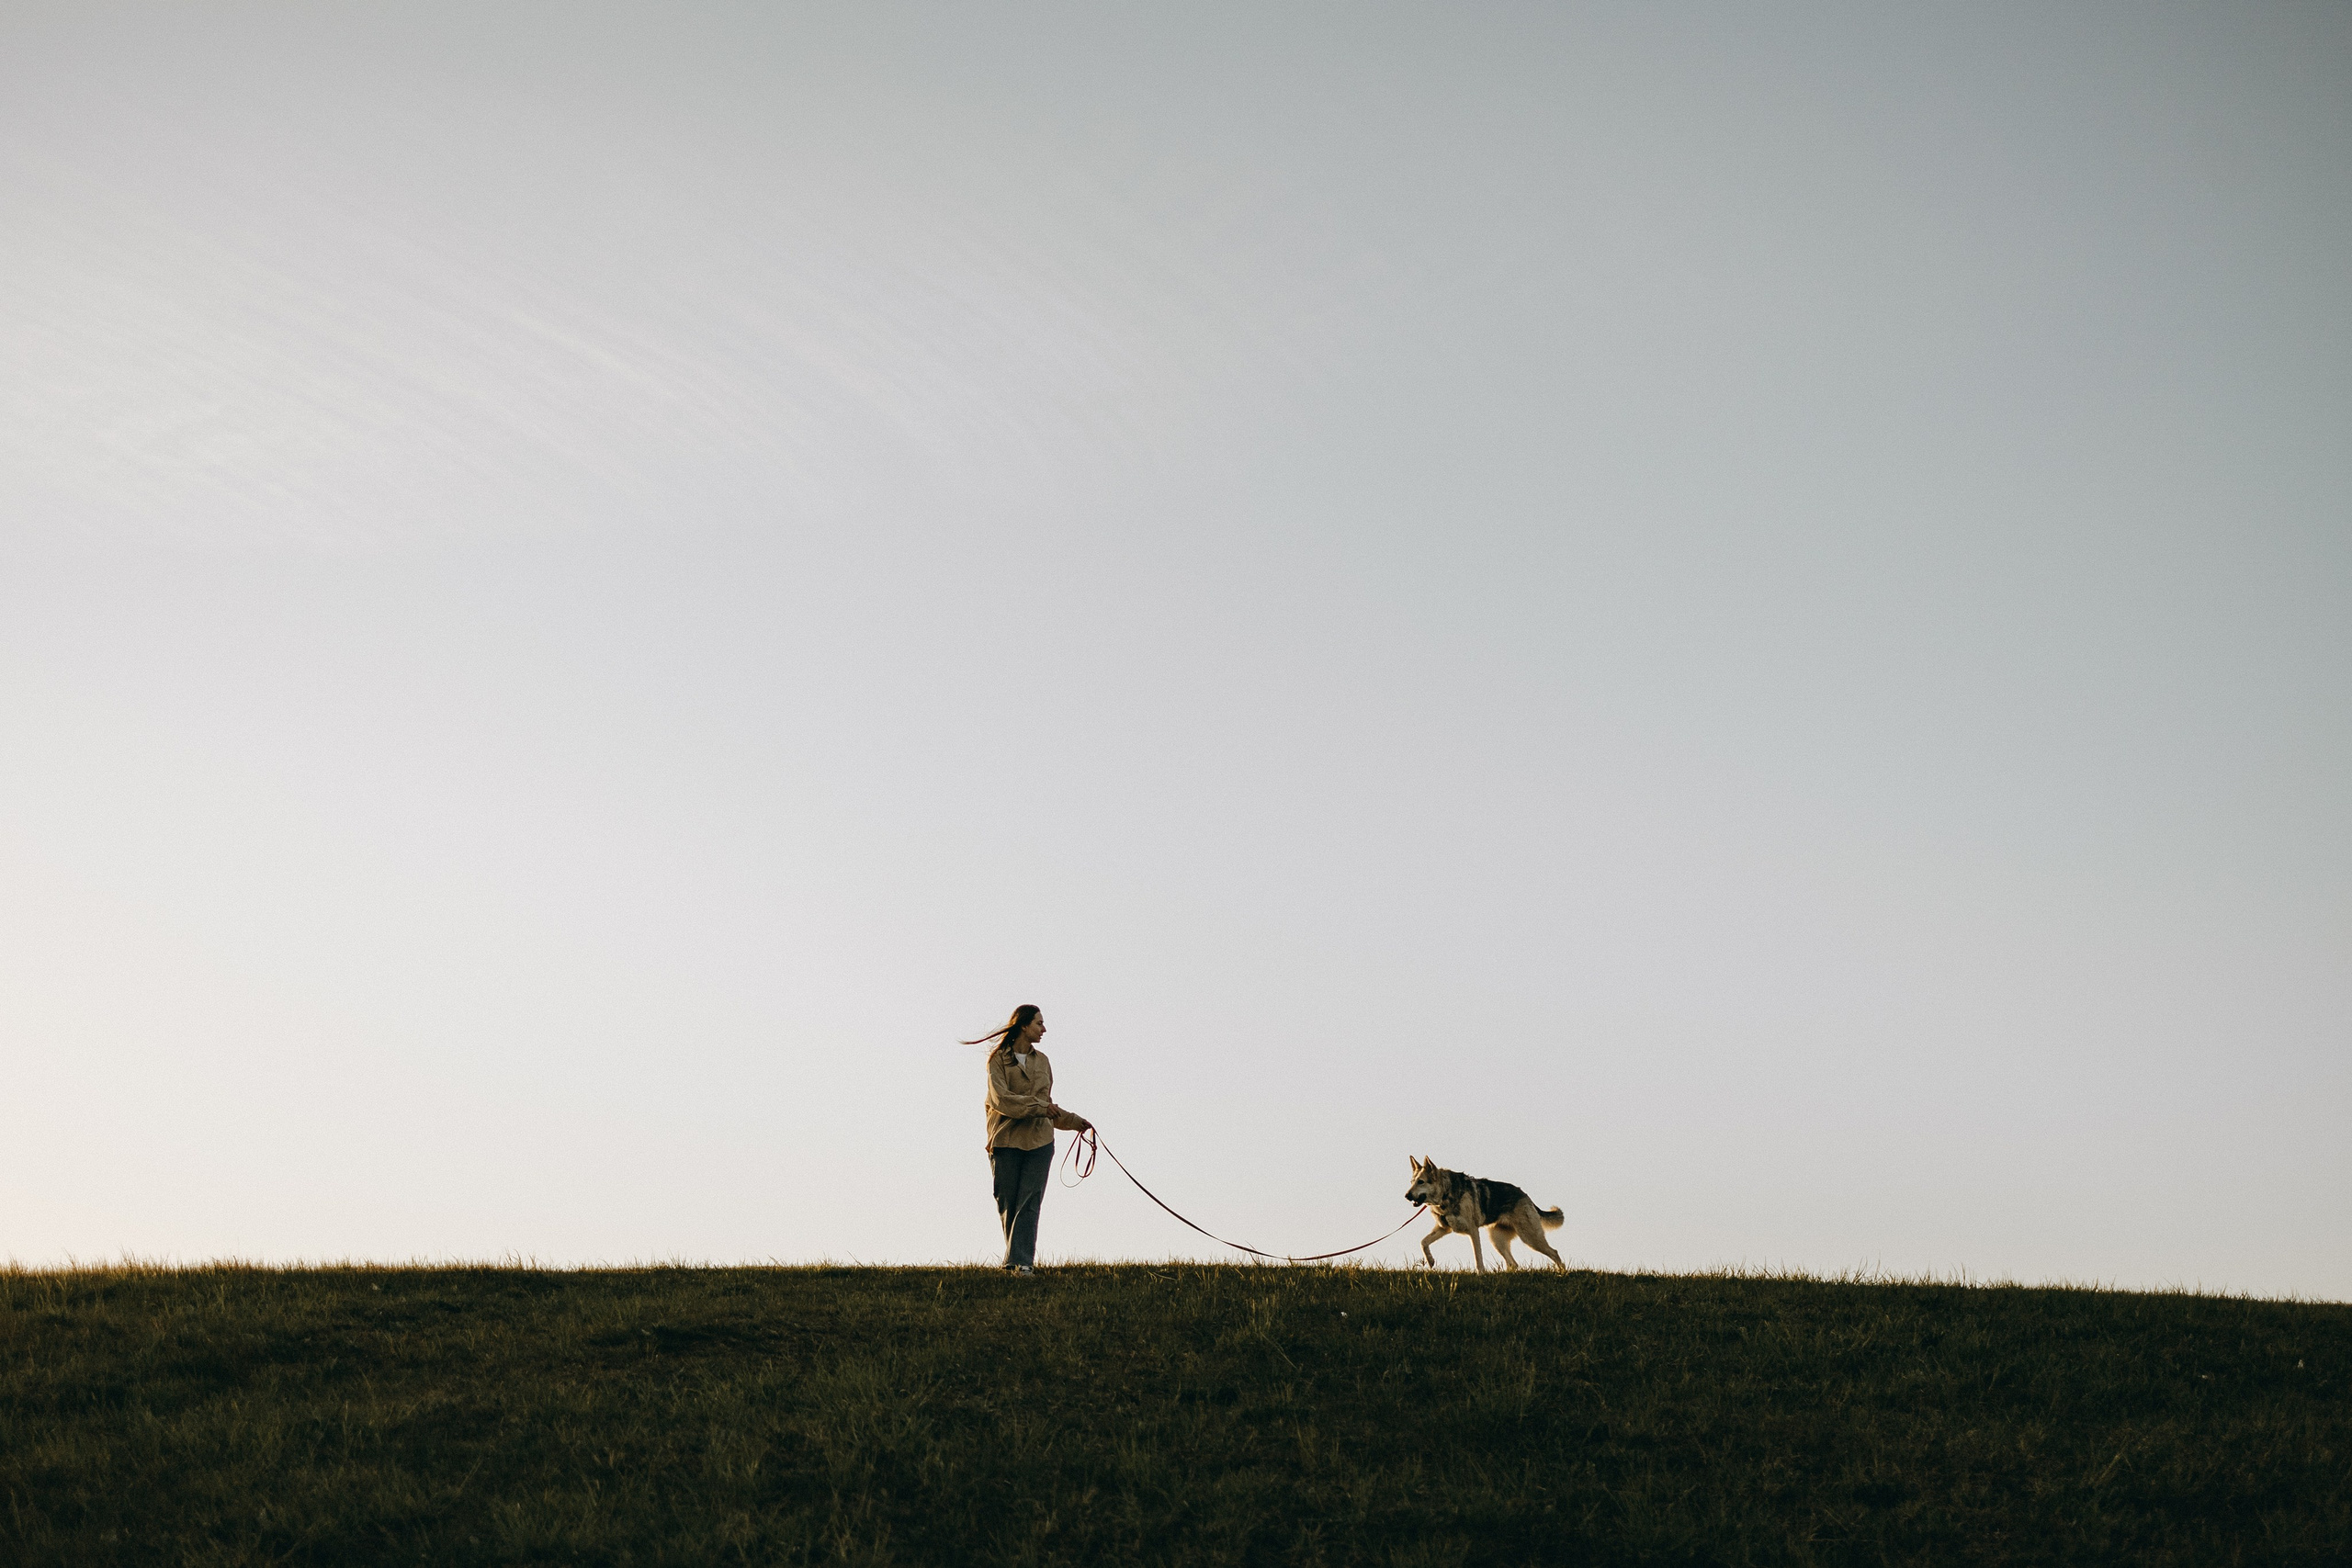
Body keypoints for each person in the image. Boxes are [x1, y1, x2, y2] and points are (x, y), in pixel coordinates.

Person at [967, 1004, 1091, 1274]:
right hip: (1005, 1141)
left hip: (1039, 1143)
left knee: (1029, 1202)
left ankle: (1021, 1263)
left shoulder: (1043, 1061)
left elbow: (1048, 1107)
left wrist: (1075, 1121)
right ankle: (1014, 1262)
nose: (1044, 1029)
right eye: (1039, 1023)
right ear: (1024, 1025)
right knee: (1008, 1202)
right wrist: (1039, 1107)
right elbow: (1002, 1101)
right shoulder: (997, 1060)